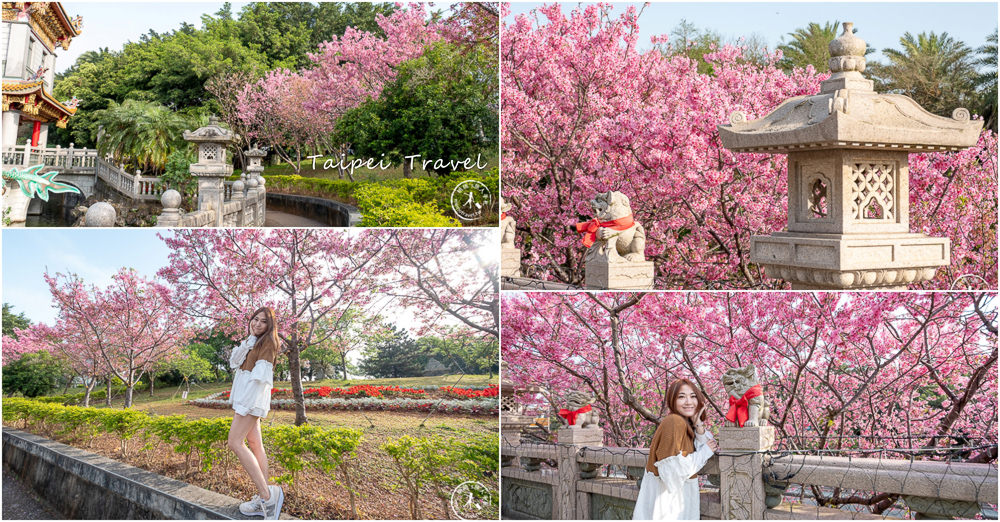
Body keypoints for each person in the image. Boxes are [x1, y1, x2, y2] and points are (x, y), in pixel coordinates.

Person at [632, 379, 718, 520]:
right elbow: (673, 471)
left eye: (693, 396)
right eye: (681, 397)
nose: (688, 402)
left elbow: (704, 444)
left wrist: (698, 425)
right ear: (672, 400)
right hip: (668, 509)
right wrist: (705, 452)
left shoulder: (684, 423)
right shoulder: (674, 422)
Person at [228, 307, 284, 519]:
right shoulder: (252, 341)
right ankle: (265, 497)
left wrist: (244, 405)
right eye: (255, 319)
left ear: (270, 326)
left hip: (250, 399)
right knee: (255, 444)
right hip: (246, 398)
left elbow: (260, 379)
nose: (257, 324)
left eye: (263, 322)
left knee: (234, 442)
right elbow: (235, 362)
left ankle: (268, 497)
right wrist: (249, 339)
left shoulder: (268, 342)